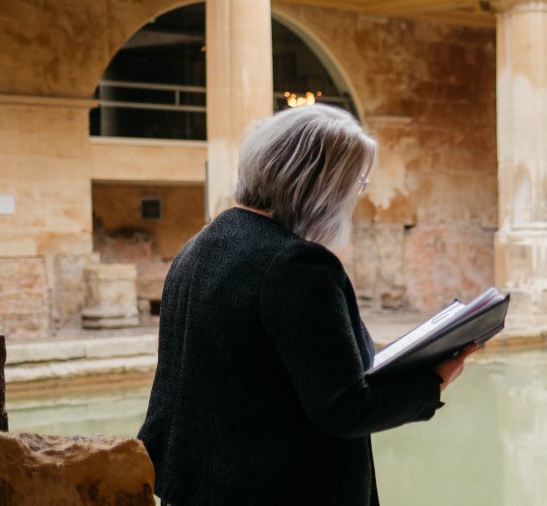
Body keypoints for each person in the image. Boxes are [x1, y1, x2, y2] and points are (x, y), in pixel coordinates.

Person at [137, 105, 477, 505]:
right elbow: (345, 408)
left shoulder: (199, 246)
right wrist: (432, 382)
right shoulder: (296, 265)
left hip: (200, 489)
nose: (354, 197)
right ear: (320, 186)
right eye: (355, 183)